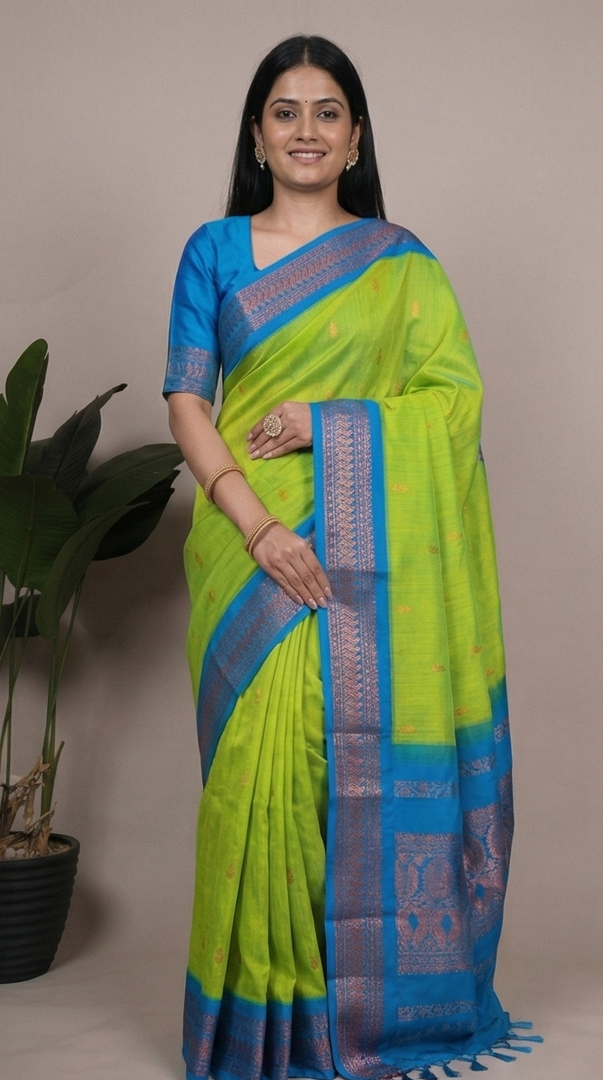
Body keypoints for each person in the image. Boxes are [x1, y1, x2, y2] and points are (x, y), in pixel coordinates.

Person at [164, 34, 534, 1080]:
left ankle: (347, 1011)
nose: (307, 131)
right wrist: (255, 521)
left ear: (357, 135)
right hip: (248, 544)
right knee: (256, 770)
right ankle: (259, 1023)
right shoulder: (215, 250)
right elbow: (189, 399)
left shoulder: (399, 261)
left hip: (359, 539)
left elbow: (452, 406)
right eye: (286, 111)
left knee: (337, 761)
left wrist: (334, 422)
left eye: (329, 112)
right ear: (256, 133)